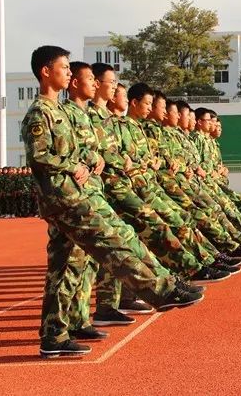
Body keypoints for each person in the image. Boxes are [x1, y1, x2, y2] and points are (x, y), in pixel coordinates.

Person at [21, 46, 203, 358]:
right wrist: (71, 164)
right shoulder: (40, 112)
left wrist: (90, 158)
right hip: (63, 197)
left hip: (78, 192)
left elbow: (81, 146)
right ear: (46, 72)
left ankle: (57, 332)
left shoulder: (63, 112)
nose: (68, 72)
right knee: (113, 238)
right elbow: (38, 155)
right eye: (63, 68)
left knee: (68, 266)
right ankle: (160, 289)